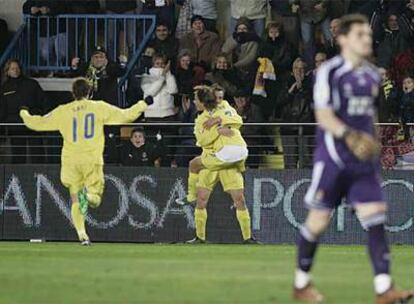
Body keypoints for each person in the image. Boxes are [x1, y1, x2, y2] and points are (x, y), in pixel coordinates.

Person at [292, 14, 414, 303]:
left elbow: (369, 116)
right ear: (343, 39)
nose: (366, 39)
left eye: (368, 35)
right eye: (360, 34)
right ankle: (301, 284)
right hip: (333, 159)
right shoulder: (329, 73)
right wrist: (351, 138)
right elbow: (323, 116)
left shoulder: (372, 75)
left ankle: (384, 289)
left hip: (363, 162)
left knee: (375, 219)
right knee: (318, 221)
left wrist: (372, 141)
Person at [19, 78, 154, 245]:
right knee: (95, 198)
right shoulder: (98, 107)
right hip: (91, 159)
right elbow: (126, 116)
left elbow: (37, 124)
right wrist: (144, 103)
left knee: (75, 199)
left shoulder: (63, 110)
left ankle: (82, 235)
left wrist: (24, 113)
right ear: (89, 93)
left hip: (71, 160)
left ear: (73, 93)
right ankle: (88, 196)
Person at [182, 86, 255, 244]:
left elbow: (238, 120)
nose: (195, 102)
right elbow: (202, 140)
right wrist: (218, 131)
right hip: (213, 156)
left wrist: (219, 120)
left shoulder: (225, 108)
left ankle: (248, 238)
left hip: (226, 160)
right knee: (202, 200)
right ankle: (200, 237)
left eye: (196, 100)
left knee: (240, 200)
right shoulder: (200, 120)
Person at [0, 59, 46, 164]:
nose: (15, 70)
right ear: (7, 71)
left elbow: (43, 102)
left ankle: (40, 177)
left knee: (38, 154)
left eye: (17, 68)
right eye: (12, 68)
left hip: (33, 124)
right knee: (18, 155)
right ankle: (17, 178)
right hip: (15, 127)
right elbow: (2, 109)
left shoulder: (32, 84)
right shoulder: (4, 88)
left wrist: (38, 115)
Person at [277, 58, 313, 169]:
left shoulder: (311, 84)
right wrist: (291, 91)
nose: (299, 71)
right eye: (296, 68)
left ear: (306, 71)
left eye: (302, 69)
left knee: (306, 163)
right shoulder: (285, 82)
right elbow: (278, 102)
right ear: (292, 70)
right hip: (288, 128)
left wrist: (301, 88)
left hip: (306, 128)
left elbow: (313, 102)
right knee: (290, 163)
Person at [291, 0, 332, 67]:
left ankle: (332, 63)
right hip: (305, 15)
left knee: (330, 39)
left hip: (322, 14)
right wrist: (294, 4)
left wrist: (323, 4)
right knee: (307, 42)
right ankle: (310, 67)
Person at [222, 17, 260, 82]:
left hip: (245, 70)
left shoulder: (254, 40)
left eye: (244, 28)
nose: (241, 31)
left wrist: (235, 66)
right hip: (229, 67)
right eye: (239, 29)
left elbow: (251, 58)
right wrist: (236, 41)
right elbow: (224, 51)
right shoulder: (232, 38)